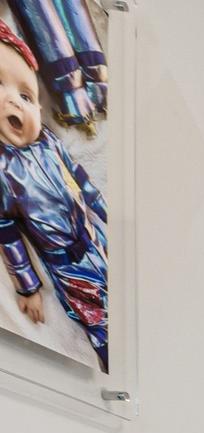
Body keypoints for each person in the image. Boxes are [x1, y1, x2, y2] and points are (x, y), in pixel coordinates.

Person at [0, 16, 108, 370]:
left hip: (95, 235)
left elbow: (77, 177)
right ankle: (108, 351)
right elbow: (8, 233)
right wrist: (28, 287)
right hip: (65, 262)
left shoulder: (48, 140)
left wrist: (101, 208)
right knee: (96, 316)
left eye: (26, 95)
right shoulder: (4, 172)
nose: (14, 103)